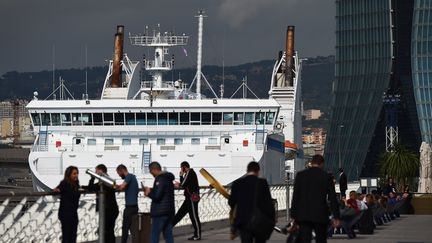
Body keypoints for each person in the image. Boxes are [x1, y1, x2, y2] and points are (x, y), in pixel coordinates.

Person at [291, 154, 340, 243]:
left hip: (304, 214)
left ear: (312, 163)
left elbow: (296, 197)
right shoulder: (326, 176)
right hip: (320, 213)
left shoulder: (300, 175)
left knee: (305, 239)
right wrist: (336, 216)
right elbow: (333, 197)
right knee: (321, 239)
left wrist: (294, 216)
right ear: (322, 164)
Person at [228, 161, 275, 243]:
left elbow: (231, 202)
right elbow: (268, 203)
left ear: (247, 170)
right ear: (258, 171)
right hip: (260, 221)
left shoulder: (237, 183)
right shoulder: (262, 183)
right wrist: (272, 219)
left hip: (243, 221)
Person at [82, 164, 119, 243]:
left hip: (108, 210)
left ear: (100, 171)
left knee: (105, 231)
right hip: (111, 209)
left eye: (96, 171)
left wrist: (92, 178)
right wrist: (83, 186)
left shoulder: (105, 181)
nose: (95, 173)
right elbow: (93, 187)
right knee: (109, 231)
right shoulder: (107, 181)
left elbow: (92, 187)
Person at [144, 161, 175, 243]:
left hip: (160, 212)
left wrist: (148, 193)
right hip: (169, 211)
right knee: (168, 235)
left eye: (151, 171)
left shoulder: (160, 179)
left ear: (154, 169)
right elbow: (163, 191)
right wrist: (152, 190)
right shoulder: (168, 178)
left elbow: (157, 197)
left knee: (154, 234)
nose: (151, 174)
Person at [172, 161, 202, 240]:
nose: (181, 170)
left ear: (184, 167)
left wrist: (181, 176)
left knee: (194, 216)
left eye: (181, 168)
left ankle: (197, 235)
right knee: (180, 214)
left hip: (191, 198)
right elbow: (184, 184)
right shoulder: (190, 173)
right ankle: (168, 228)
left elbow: (183, 184)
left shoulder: (189, 173)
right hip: (189, 198)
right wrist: (181, 183)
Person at [53, 166, 81, 243]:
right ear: (69, 175)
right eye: (74, 174)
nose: (76, 175)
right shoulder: (64, 183)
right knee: (67, 236)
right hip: (66, 213)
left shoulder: (76, 184)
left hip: (73, 213)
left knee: (73, 235)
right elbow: (58, 188)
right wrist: (57, 190)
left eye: (77, 173)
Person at [116, 164, 139, 243]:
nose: (119, 176)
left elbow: (122, 187)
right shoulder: (133, 177)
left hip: (129, 208)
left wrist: (114, 186)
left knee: (125, 228)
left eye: (119, 173)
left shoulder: (129, 177)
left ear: (122, 170)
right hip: (135, 207)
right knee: (133, 228)